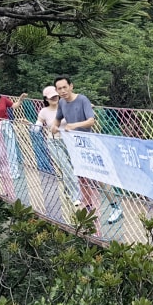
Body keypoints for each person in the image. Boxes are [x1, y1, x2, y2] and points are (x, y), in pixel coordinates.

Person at [49, 76, 123, 225]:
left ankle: (116, 207)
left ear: (71, 86)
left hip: (89, 143)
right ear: (56, 90)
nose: (63, 91)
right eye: (59, 89)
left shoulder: (82, 100)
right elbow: (58, 118)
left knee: (99, 176)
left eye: (65, 87)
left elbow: (91, 120)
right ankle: (89, 208)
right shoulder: (62, 103)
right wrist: (54, 126)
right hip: (75, 144)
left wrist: (74, 125)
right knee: (82, 176)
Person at [34, 85, 82, 207]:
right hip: (54, 142)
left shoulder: (66, 105)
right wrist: (31, 125)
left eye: (56, 96)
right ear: (46, 99)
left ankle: (67, 190)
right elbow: (37, 128)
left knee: (72, 167)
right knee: (67, 169)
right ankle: (75, 197)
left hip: (70, 141)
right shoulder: (44, 111)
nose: (55, 98)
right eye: (52, 97)